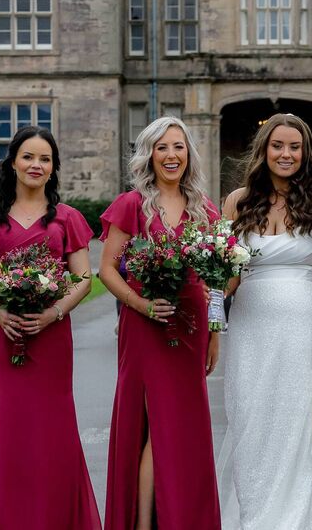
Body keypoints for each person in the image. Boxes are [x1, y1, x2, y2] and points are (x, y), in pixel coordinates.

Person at [0, 126, 101, 530]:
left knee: (48, 437)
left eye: (45, 159)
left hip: (49, 339)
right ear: (13, 162)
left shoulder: (67, 218)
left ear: (53, 169)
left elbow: (85, 278)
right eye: (29, 157)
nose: (37, 165)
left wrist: (53, 313)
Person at [217, 113, 312, 529]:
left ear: (306, 152)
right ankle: (252, 515)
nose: (286, 154)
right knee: (252, 416)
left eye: (294, 147)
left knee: (296, 419)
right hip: (250, 328)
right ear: (264, 151)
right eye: (278, 146)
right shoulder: (238, 201)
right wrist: (208, 317)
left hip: (304, 326)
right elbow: (227, 276)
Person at [99, 116, 221, 529]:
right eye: (162, 147)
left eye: (178, 147)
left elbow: (215, 278)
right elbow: (107, 269)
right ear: (149, 154)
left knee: (180, 428)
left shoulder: (206, 210)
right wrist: (140, 305)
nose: (171, 155)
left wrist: (215, 332)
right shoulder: (131, 204)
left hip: (191, 327)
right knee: (155, 427)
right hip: (145, 328)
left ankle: (180, 515)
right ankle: (144, 522)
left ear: (189, 155)